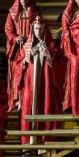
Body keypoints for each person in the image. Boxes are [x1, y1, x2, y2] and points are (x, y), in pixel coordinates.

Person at [18, 17, 59, 145]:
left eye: (40, 29)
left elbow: (59, 66)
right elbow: (19, 66)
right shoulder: (26, 46)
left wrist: (47, 54)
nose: (38, 31)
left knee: (44, 106)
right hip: (30, 84)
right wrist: (28, 56)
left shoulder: (51, 45)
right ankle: (29, 144)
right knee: (30, 107)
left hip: (45, 84)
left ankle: (43, 144)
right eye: (35, 28)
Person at [4, 0, 42, 93]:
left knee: (29, 72)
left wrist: (30, 39)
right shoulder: (12, 13)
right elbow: (8, 29)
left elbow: (39, 27)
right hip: (17, 47)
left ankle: (29, 98)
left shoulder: (35, 13)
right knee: (17, 72)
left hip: (30, 46)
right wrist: (16, 38)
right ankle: (16, 100)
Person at [58, 0, 79, 113]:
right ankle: (71, 103)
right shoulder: (68, 12)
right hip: (73, 48)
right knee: (73, 75)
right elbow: (65, 31)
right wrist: (74, 34)